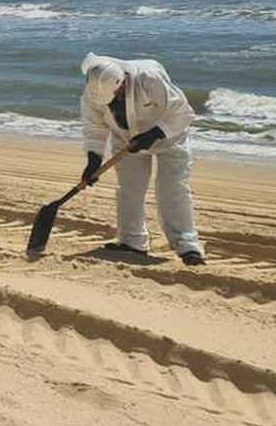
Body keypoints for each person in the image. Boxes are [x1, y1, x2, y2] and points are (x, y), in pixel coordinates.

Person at [79, 53, 205, 266]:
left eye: (117, 95)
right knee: (129, 188)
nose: (115, 101)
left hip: (170, 135)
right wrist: (94, 160)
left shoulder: (150, 78)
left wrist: (154, 134)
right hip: (126, 139)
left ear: (122, 82)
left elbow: (182, 112)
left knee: (172, 187)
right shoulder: (93, 93)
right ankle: (132, 242)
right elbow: (94, 128)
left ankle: (187, 245)